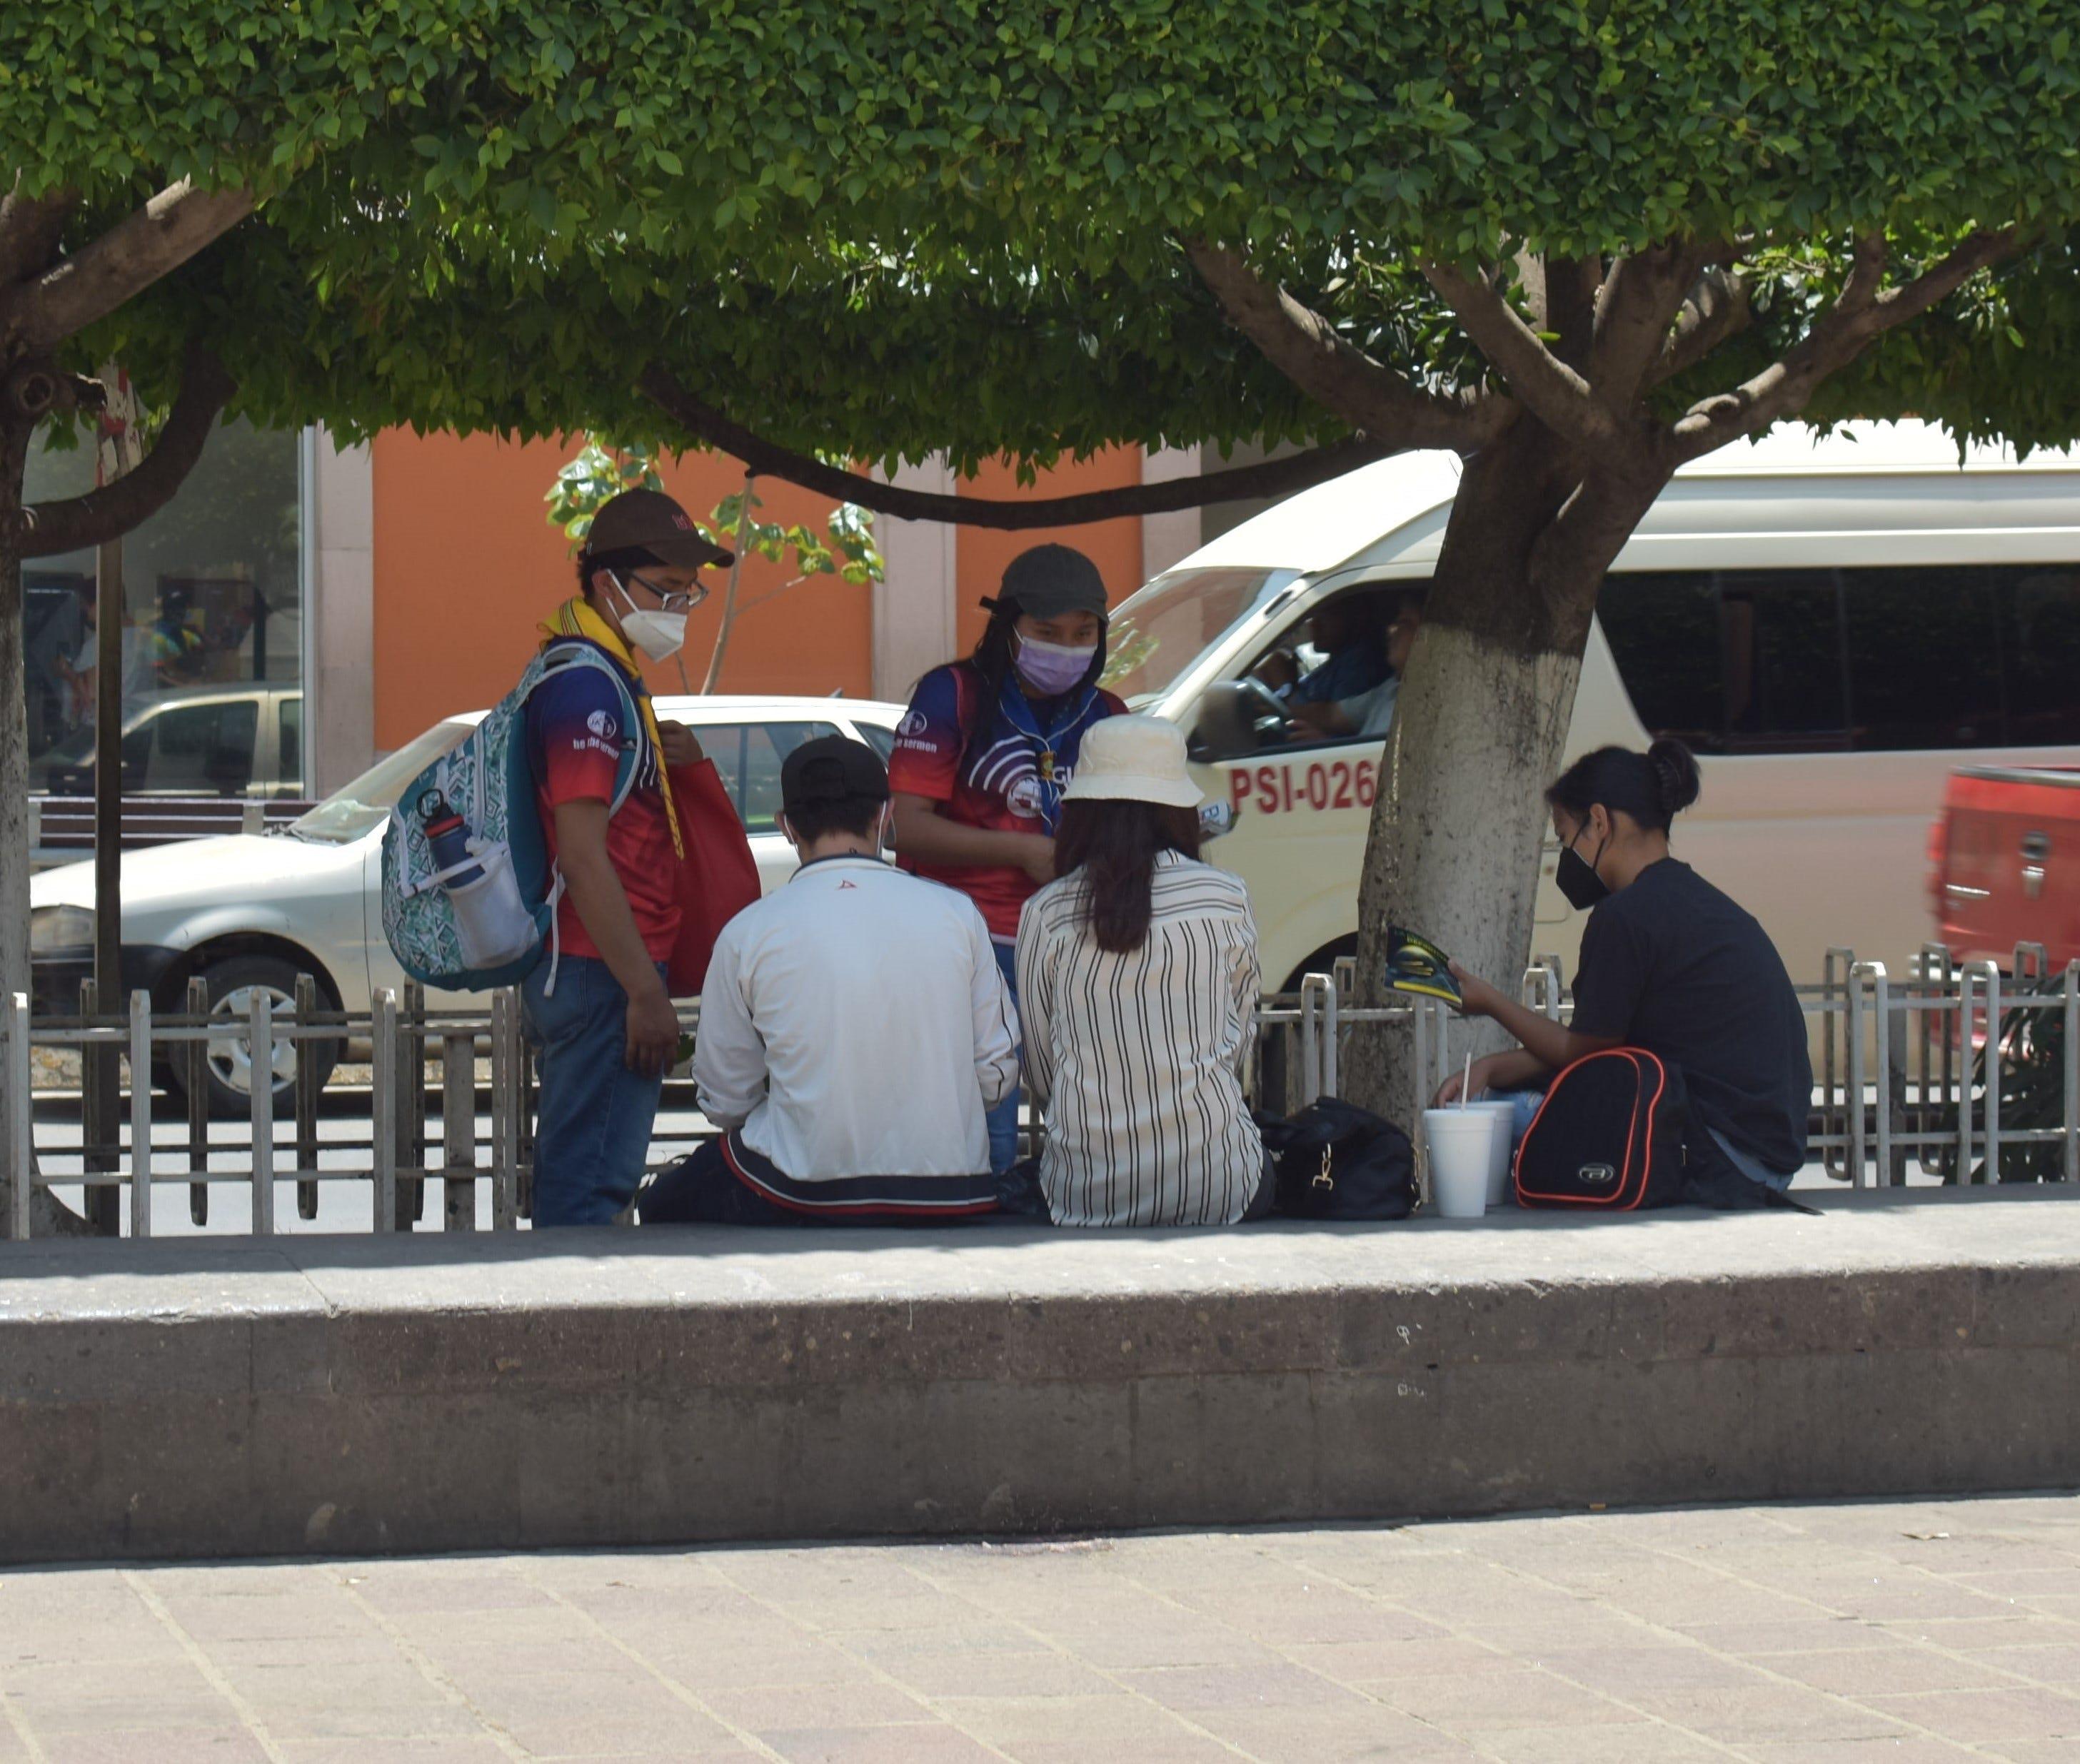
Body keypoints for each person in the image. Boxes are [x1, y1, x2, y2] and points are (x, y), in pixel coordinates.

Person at [640, 736, 1019, 1224]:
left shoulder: (748, 931)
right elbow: (996, 1074)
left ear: (786, 826)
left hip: (796, 1191)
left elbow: (725, 1099)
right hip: (950, 1187)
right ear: (886, 815)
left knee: (659, 1205)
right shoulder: (957, 914)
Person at [1437, 740, 1812, 1204]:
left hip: (1719, 1162)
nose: (1563, 853)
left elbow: (1580, 1053)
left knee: (1498, 1116)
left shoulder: (1625, 916)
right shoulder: (1698, 903)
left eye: (1563, 835)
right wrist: (1493, 1066)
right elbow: (1604, 1045)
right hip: (1765, 1163)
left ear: (1598, 821)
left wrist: (1489, 1001)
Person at [522, 487, 732, 1226]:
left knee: (588, 1182)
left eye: (689, 592)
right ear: (607, 582)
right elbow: (583, 857)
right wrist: (645, 991)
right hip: (603, 970)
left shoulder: (606, 674)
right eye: (666, 590)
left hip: (602, 966)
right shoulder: (587, 685)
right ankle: (570, 1336)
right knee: (589, 1195)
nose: (679, 608)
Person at [888, 543, 1125, 1172]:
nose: (1067, 647)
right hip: (965, 944)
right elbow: (905, 828)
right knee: (984, 1137)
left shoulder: (1109, 714)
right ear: (1007, 626)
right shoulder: (952, 694)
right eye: (1047, 632)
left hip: (1074, 942)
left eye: (1083, 633)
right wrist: (1021, 850)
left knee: (1088, 1130)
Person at [1015, 715, 1269, 1226]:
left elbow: (1043, 1072)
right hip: (1219, 1185)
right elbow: (1238, 1042)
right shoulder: (1225, 898)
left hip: (1084, 1194)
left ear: (1081, 810)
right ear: (1179, 808)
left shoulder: (1046, 912)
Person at [1290, 593, 1422, 740]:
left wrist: (1326, 748)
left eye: (1404, 624)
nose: (1392, 631)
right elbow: (1332, 715)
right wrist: (1284, 706)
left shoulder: (1426, 704)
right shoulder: (1391, 688)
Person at [1256, 594, 1392, 710]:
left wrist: (1285, 686)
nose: (1314, 625)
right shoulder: (1336, 661)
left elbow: (1331, 722)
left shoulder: (1361, 664)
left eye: (1326, 617)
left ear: (1357, 619)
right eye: (1314, 616)